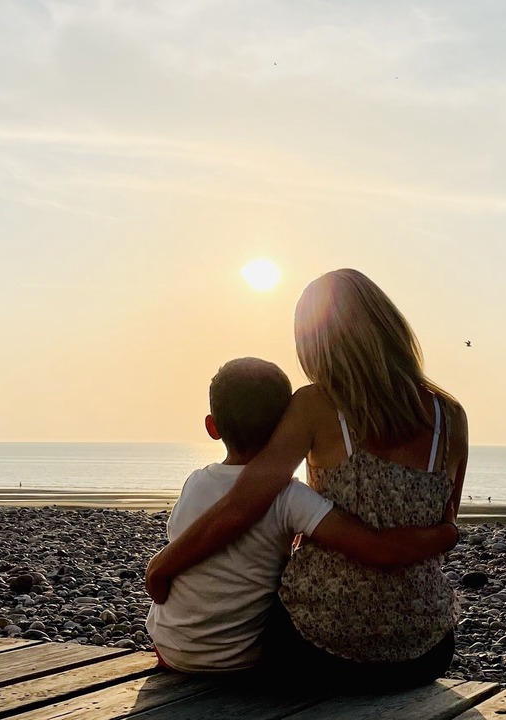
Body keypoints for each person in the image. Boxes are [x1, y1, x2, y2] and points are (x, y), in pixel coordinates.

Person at [147, 269, 468, 688]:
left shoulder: (316, 404)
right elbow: (444, 523)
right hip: (426, 651)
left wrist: (161, 565)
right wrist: (448, 535)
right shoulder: (452, 416)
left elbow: (240, 507)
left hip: (319, 649)